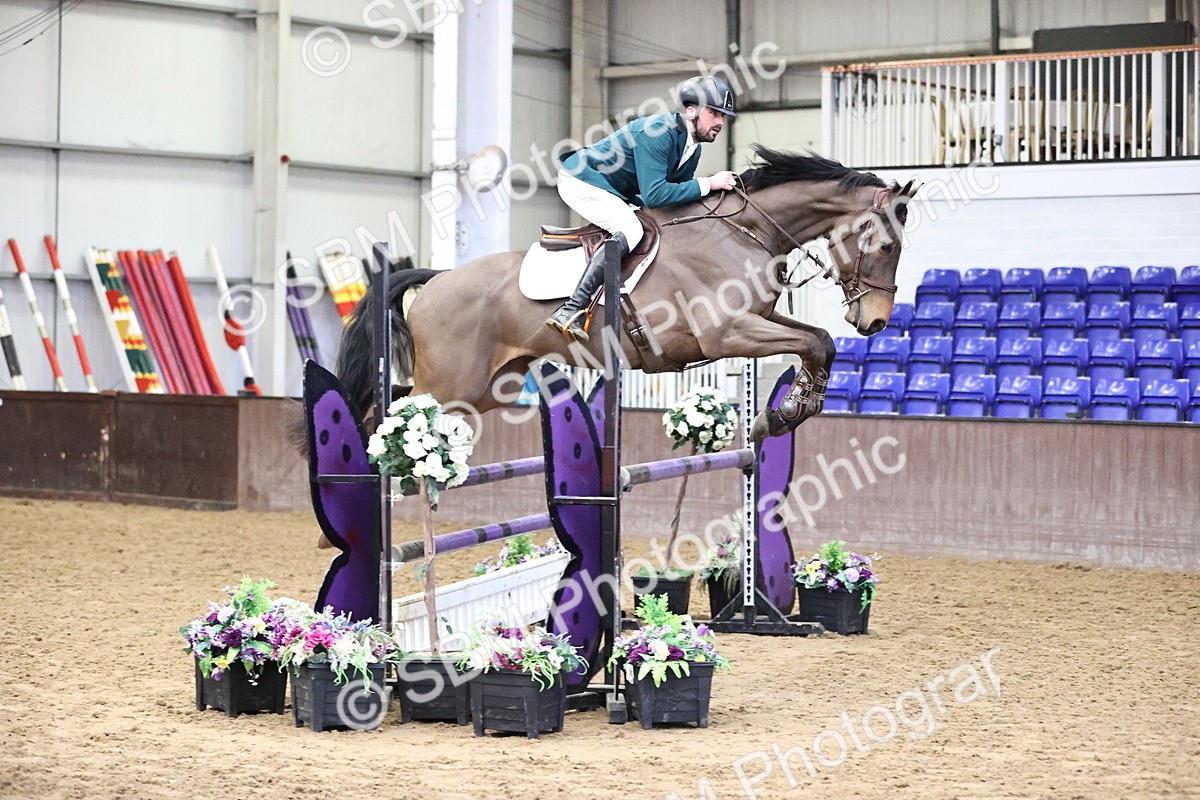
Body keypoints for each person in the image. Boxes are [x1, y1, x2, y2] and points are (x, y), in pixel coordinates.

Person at [545, 75, 740, 342]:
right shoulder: (658, 132)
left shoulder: (692, 149)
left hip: (613, 189)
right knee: (631, 230)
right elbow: (656, 195)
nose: (720, 122)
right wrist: (708, 183)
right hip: (581, 179)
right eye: (714, 112)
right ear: (691, 110)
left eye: (724, 116)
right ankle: (571, 309)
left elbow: (676, 201)